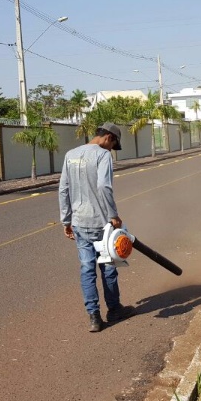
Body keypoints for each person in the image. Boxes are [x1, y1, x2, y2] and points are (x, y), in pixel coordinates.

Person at [59, 122, 136, 332]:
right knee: (108, 266)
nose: (111, 149)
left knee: (87, 268)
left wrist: (66, 220)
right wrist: (113, 215)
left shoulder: (70, 155)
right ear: (109, 138)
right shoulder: (102, 156)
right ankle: (114, 309)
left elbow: (63, 189)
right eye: (113, 145)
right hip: (100, 223)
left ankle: (94, 317)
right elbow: (103, 186)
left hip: (79, 222)